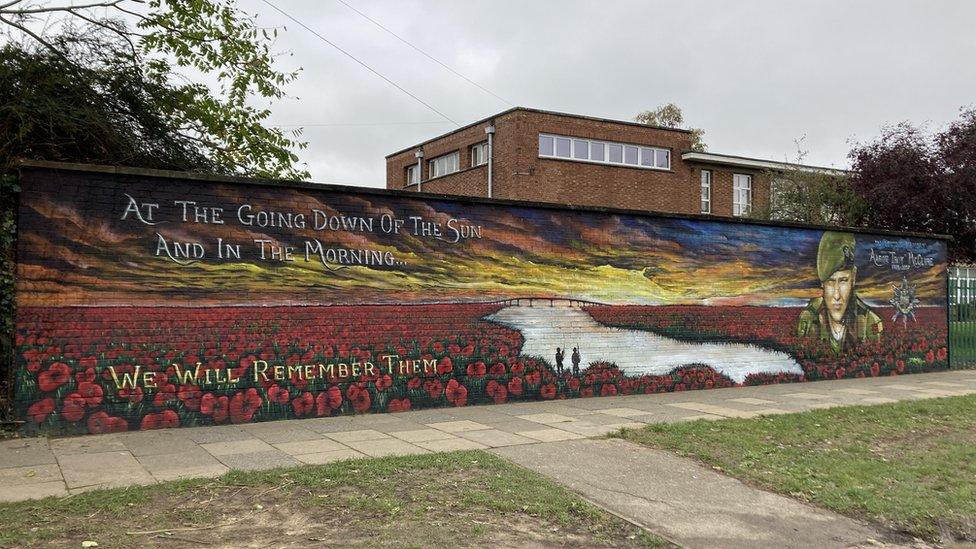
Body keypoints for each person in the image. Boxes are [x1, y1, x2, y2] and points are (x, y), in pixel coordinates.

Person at [797, 231, 883, 352]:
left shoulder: (869, 322)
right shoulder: (808, 319)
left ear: (853, 278)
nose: (837, 295)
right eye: (830, 282)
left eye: (843, 281)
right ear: (822, 283)